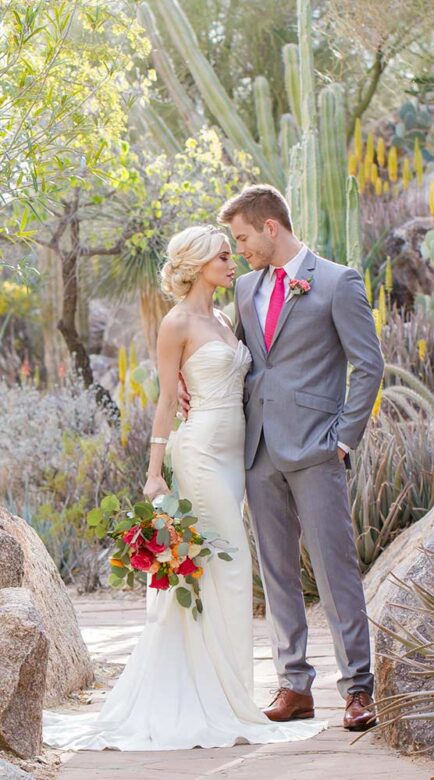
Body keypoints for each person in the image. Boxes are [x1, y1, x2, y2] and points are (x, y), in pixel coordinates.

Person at [42, 225, 326, 751]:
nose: (232, 261)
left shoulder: (223, 317)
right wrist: (155, 473)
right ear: (197, 265)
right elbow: (167, 401)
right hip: (196, 455)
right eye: (223, 255)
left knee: (216, 571)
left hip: (233, 457)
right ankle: (216, 698)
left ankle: (224, 689)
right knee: (231, 565)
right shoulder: (176, 323)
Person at [202, 184, 384, 731]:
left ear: (270, 227)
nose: (240, 252)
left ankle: (357, 690)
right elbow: (241, 361)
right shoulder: (245, 291)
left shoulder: (337, 282)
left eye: (243, 239)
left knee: (335, 571)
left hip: (317, 448)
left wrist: (344, 438)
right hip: (259, 451)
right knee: (277, 574)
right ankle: (294, 685)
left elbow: (367, 365)